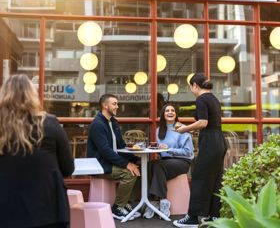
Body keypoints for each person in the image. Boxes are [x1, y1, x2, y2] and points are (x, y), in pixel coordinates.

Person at [0, 74, 74, 228]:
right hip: (48, 210)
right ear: (32, 96)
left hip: (6, 211)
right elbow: (68, 168)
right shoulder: (50, 124)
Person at [173, 73, 227, 228]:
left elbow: (203, 122)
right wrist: (193, 130)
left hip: (210, 142)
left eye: (191, 86)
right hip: (219, 141)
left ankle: (192, 218)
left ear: (195, 85)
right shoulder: (214, 99)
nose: (191, 90)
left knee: (199, 178)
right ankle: (213, 216)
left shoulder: (202, 99)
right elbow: (210, 124)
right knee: (215, 179)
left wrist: (184, 129)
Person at [87, 93, 141, 221]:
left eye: (117, 103)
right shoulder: (97, 124)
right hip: (100, 165)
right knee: (129, 173)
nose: (117, 106)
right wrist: (126, 164)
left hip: (111, 162)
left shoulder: (113, 122)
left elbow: (121, 145)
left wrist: (134, 160)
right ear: (105, 106)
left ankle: (126, 203)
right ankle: (117, 208)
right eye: (114, 104)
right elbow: (105, 151)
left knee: (139, 168)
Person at [143, 103, 194, 219]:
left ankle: (162, 201)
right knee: (150, 165)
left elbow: (188, 152)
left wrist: (169, 149)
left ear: (176, 114)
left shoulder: (182, 128)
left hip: (182, 162)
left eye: (172, 110)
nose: (170, 112)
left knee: (159, 165)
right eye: (167, 111)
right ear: (163, 114)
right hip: (166, 161)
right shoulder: (159, 130)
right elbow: (161, 151)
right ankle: (153, 202)